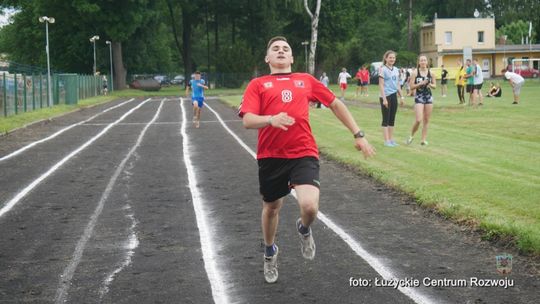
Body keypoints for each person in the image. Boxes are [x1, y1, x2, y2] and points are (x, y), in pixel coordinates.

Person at [238, 36, 375, 284]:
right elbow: (247, 120)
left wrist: (358, 134)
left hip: (303, 152)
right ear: (267, 58)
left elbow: (335, 104)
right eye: (275, 49)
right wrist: (270, 119)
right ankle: (270, 251)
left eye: (285, 49)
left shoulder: (306, 81)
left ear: (292, 58)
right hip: (271, 156)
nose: (281, 51)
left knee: (310, 207)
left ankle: (303, 228)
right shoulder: (258, 84)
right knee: (271, 208)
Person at [406, 55, 436, 146]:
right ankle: (411, 136)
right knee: (419, 119)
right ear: (419, 62)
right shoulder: (415, 73)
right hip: (419, 97)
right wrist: (420, 83)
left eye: (424, 60)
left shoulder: (431, 73)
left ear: (427, 62)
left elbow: (435, 86)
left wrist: (429, 84)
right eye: (421, 60)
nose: (423, 62)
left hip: (428, 97)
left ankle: (423, 140)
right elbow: (411, 87)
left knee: (426, 120)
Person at [378, 50, 405, 147]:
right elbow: (381, 85)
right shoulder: (382, 69)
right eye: (390, 57)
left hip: (394, 95)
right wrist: (384, 99)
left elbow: (397, 84)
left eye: (393, 58)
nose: (392, 59)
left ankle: (391, 139)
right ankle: (386, 141)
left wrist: (401, 96)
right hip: (386, 96)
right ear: (386, 58)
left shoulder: (396, 69)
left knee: (392, 119)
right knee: (386, 119)